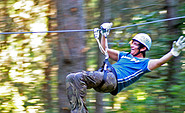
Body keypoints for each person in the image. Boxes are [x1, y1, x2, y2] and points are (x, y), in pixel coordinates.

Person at [66, 23, 185, 113]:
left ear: (143, 48)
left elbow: (159, 62)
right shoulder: (124, 55)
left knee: (78, 77)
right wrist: (104, 35)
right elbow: (105, 50)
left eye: (135, 43)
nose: (132, 45)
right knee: (71, 78)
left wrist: (173, 52)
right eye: (132, 42)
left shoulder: (144, 63)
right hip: (104, 77)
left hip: (112, 80)